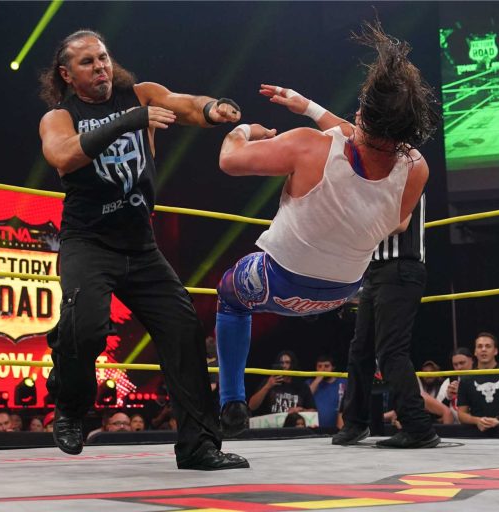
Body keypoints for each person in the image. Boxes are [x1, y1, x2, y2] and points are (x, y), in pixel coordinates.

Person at [215, 20, 438, 448]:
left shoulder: (308, 146)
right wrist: (310, 108)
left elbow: (230, 160)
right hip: (342, 291)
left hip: (278, 281)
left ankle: (231, 400)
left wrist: (244, 131)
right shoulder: (417, 168)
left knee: (229, 297)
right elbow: (397, 219)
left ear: (361, 115)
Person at [38, 29, 247, 470]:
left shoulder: (141, 94)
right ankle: (71, 405)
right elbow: (62, 156)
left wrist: (212, 109)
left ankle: (199, 446)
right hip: (88, 243)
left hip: (140, 246)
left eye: (103, 57)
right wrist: (126, 122)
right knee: (85, 328)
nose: (100, 67)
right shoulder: (60, 117)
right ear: (66, 74)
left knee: (183, 329)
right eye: (87, 62)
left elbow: (184, 104)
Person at [457, 333, 499, 432]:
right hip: (477, 433)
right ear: (475, 352)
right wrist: (478, 421)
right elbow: (461, 414)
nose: (483, 349)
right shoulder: (466, 378)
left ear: (495, 351)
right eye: (480, 346)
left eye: (488, 346)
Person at [248, 351, 316, 417]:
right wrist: (267, 386)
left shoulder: (302, 386)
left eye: (287, 362)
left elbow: (313, 411)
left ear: (293, 364)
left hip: (294, 423)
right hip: (272, 423)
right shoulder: (269, 381)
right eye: (281, 363)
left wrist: (301, 411)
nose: (284, 366)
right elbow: (252, 406)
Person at [436, 347, 475, 423]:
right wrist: (448, 397)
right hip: (456, 427)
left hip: (478, 425)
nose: (459, 367)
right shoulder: (449, 382)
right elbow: (437, 415)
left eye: (462, 363)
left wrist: (462, 394)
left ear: (472, 360)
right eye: (455, 364)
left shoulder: (481, 379)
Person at [309, 355, 346, 429]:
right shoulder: (310, 383)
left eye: (326, 366)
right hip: (314, 428)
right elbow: (306, 397)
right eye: (319, 366)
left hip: (338, 427)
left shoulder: (343, 382)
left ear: (333, 367)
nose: (323, 369)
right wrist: (317, 380)